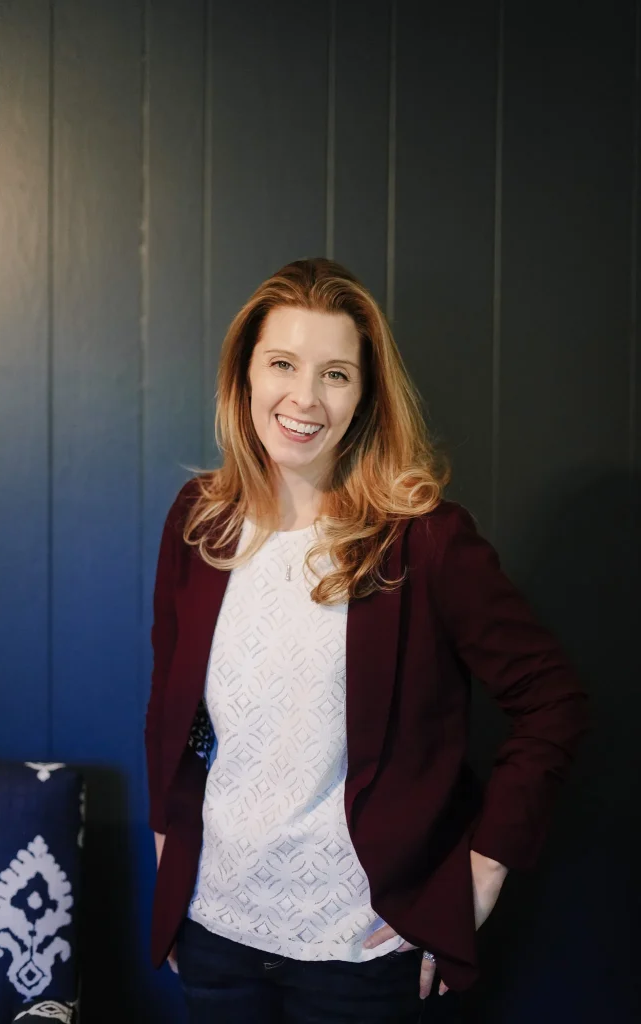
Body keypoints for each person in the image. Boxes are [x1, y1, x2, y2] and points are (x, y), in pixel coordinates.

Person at [145, 257, 590, 1023]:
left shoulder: (425, 542)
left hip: (358, 952)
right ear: (243, 376)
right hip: (216, 929)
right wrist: (168, 845)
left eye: (336, 375)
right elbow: (169, 701)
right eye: (281, 363)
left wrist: (481, 873)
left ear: (365, 395)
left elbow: (554, 702)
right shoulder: (200, 520)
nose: (304, 398)